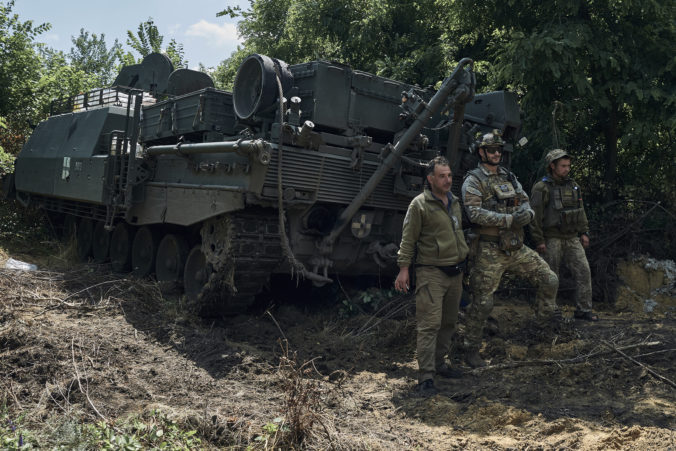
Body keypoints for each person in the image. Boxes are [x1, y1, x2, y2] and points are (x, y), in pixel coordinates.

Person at [461, 131, 560, 368]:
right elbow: (473, 213)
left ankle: (540, 331)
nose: (497, 154)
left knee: (549, 279)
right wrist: (506, 220)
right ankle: (470, 350)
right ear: (481, 152)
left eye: (499, 150)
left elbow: (525, 201)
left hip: (515, 246)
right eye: (492, 150)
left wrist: (528, 214)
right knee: (482, 302)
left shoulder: (509, 176)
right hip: (489, 249)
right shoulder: (473, 180)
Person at [395, 156, 469, 395]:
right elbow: (408, 239)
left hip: (455, 272)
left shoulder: (454, 202)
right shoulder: (419, 205)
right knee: (429, 325)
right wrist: (404, 268)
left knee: (449, 322)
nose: (447, 180)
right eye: (442, 176)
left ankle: (439, 364)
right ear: (430, 179)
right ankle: (426, 377)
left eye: (449, 175)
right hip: (431, 273)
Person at [530, 149, 597, 321]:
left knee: (583, 270)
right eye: (563, 166)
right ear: (552, 166)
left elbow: (580, 211)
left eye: (568, 166)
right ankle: (548, 311)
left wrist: (584, 232)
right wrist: (539, 240)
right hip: (551, 238)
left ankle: (584, 309)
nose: (567, 169)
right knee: (550, 276)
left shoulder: (573, 186)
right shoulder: (541, 188)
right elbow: (534, 216)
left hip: (572, 237)